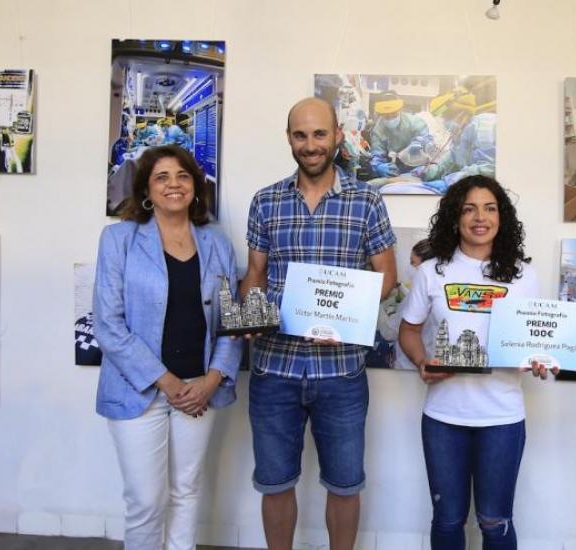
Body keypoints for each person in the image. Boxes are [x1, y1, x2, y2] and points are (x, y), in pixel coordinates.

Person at [241, 97, 397, 550]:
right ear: (289, 138)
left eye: (319, 134)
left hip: (341, 371)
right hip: (275, 369)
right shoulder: (266, 201)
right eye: (300, 135)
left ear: (338, 136)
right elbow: (255, 274)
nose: (310, 145)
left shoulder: (366, 200)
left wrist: (339, 307)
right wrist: (253, 309)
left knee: (345, 485)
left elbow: (387, 277)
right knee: (274, 482)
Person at [93, 144, 242, 550]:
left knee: (186, 491)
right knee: (145, 501)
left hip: (200, 390)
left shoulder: (217, 244)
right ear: (146, 189)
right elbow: (108, 325)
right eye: (162, 177)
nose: (173, 184)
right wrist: (168, 382)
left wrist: (212, 380)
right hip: (139, 390)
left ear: (195, 186)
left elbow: (231, 322)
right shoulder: (119, 240)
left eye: (182, 176)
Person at [397, 175, 554, 550]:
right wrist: (422, 362)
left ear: (502, 217)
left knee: (495, 521)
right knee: (448, 521)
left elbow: (533, 339)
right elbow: (408, 331)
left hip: (501, 419)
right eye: (469, 208)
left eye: (489, 208)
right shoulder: (432, 271)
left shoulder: (522, 275)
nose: (479, 217)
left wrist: (538, 359)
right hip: (443, 419)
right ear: (455, 217)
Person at [411, 93, 496, 194]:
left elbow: (489, 168)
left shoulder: (487, 126)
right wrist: (428, 171)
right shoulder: (460, 135)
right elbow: (449, 161)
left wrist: (451, 181)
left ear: (461, 114)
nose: (443, 122)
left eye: (445, 118)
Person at [373, 239, 435, 370]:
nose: (410, 267)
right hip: (430, 365)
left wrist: (386, 308)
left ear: (426, 265)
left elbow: (388, 332)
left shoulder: (415, 297)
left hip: (409, 368)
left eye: (413, 262)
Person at [368, 91, 431, 178]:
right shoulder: (378, 130)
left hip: (416, 167)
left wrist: (419, 145)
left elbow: (428, 145)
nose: (390, 119)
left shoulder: (415, 123)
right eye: (386, 116)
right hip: (392, 170)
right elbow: (377, 153)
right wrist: (378, 166)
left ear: (400, 110)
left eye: (394, 115)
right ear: (381, 114)